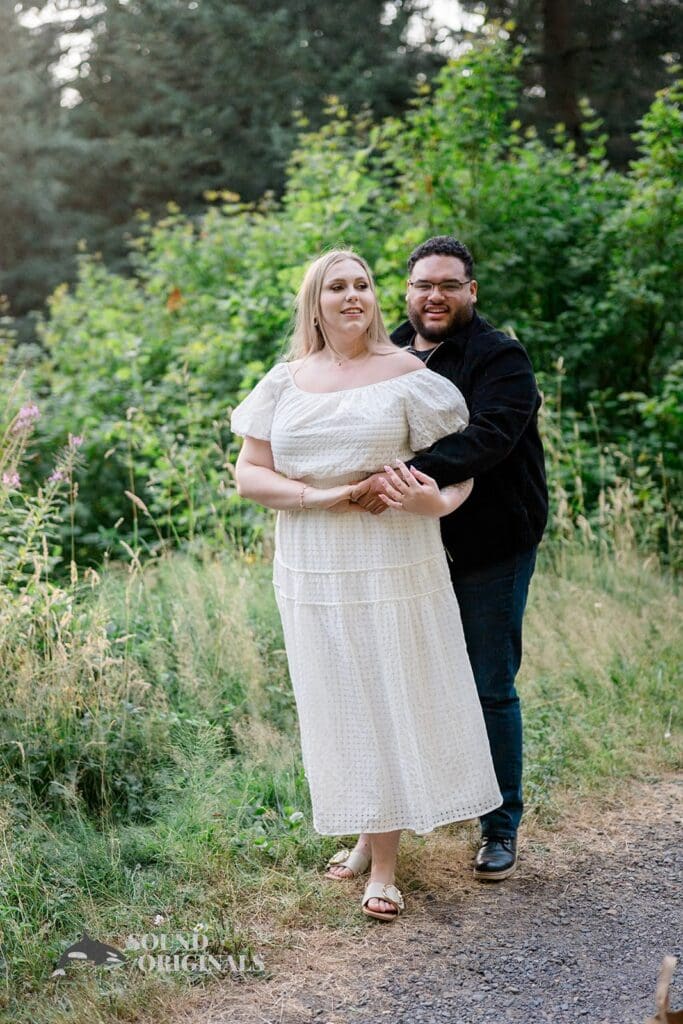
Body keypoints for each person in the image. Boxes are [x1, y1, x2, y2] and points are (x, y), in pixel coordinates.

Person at [231, 249, 502, 922]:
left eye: (362, 285)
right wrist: (319, 497)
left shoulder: (408, 376)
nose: (352, 295)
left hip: (391, 560)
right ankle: (363, 832)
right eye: (337, 287)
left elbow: (462, 468)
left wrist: (437, 503)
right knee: (338, 700)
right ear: (314, 303)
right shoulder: (285, 381)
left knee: (384, 694)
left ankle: (383, 868)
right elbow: (249, 474)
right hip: (310, 563)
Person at [348, 236, 548, 882]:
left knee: (488, 684)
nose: (435, 296)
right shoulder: (385, 354)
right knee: (403, 683)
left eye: (449, 285)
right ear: (406, 291)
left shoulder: (501, 357)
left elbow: (486, 439)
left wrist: (395, 476)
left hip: (491, 546)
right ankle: (396, 819)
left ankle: (499, 828)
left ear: (471, 292)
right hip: (407, 549)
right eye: (423, 285)